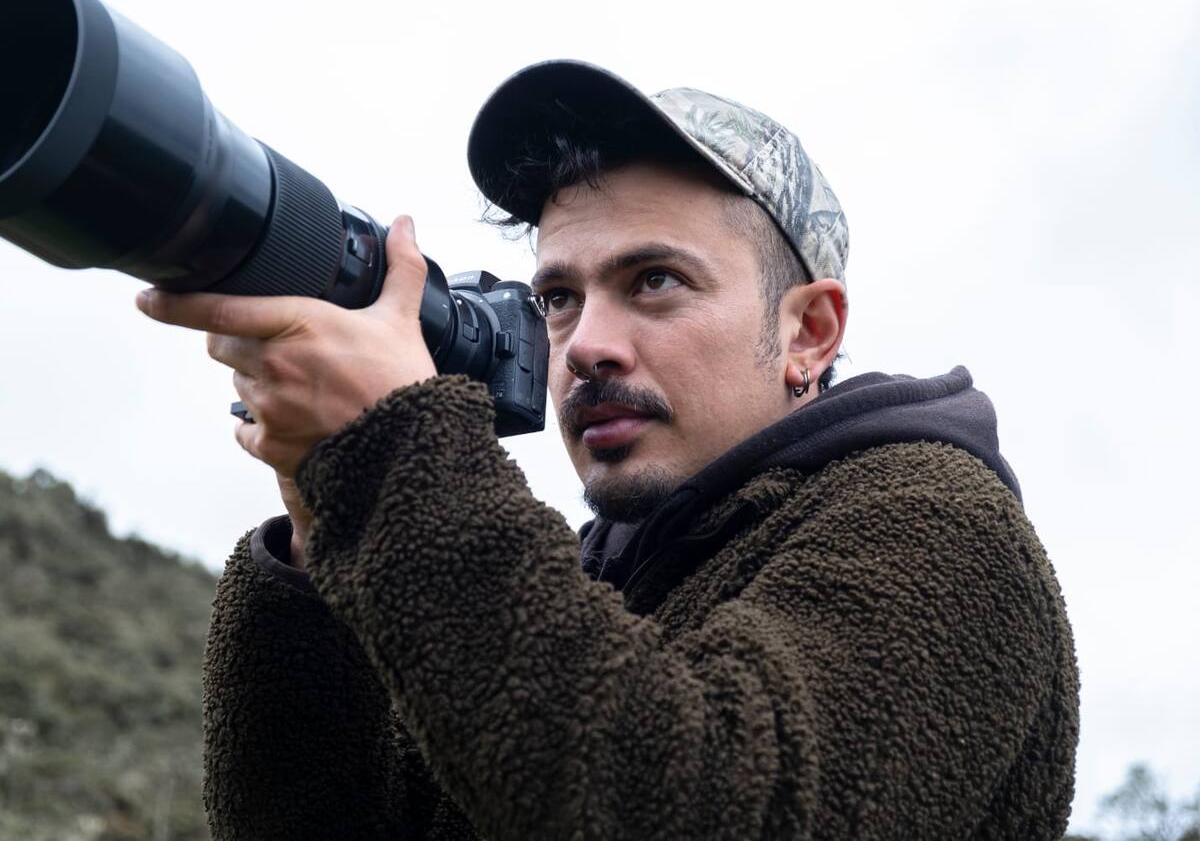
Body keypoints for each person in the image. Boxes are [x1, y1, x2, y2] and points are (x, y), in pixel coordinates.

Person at [137, 61, 1079, 839]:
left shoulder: (945, 532)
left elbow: (713, 813)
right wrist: (323, 526)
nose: (583, 343)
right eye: (558, 297)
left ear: (808, 334)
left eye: (655, 280)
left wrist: (394, 456)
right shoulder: (577, 600)